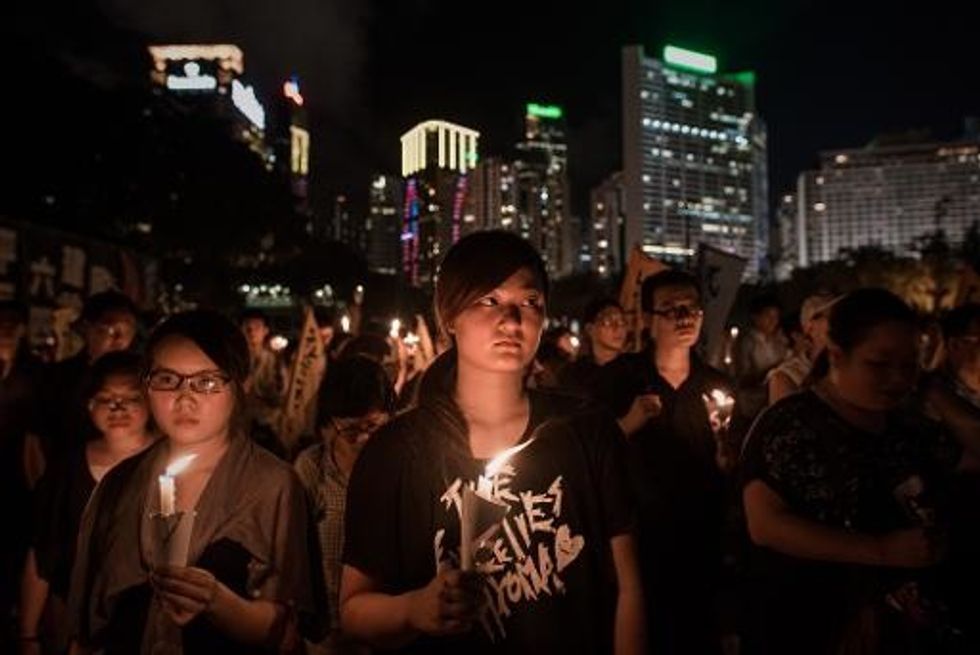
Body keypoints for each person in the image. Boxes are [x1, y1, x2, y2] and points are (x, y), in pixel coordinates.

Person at [340, 231, 645, 654]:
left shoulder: (587, 430)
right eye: (489, 301)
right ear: (449, 315)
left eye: (529, 303)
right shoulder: (395, 451)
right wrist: (414, 609)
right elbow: (354, 610)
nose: (512, 320)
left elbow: (629, 587)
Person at [68, 310, 324, 654]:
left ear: (240, 386)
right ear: (146, 384)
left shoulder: (273, 486)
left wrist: (219, 602)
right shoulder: (121, 483)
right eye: (167, 380)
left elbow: (284, 629)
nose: (185, 398)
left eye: (206, 382)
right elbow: (89, 623)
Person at [740, 289, 950, 655]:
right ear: (837, 356)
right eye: (879, 364)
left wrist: (935, 391)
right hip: (808, 627)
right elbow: (765, 525)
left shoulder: (907, 426)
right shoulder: (791, 425)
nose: (897, 378)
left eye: (909, 364)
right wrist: (882, 550)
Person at [596, 268, 734, 654]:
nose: (684, 317)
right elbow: (589, 453)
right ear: (647, 319)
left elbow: (728, 468)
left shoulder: (715, 384)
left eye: (691, 308)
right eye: (671, 308)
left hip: (701, 537)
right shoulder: (619, 379)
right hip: (638, 537)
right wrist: (629, 423)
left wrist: (725, 450)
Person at [20, 352, 154, 654]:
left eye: (131, 397)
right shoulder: (66, 469)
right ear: (89, 405)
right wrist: (28, 634)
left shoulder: (171, 462)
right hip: (75, 622)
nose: (117, 407)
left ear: (150, 402)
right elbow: (43, 552)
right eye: (106, 398)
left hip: (148, 624)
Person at [294, 355, 395, 655]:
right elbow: (294, 556)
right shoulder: (312, 469)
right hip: (330, 634)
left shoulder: (400, 466)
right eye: (351, 431)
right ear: (327, 427)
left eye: (373, 426)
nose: (365, 439)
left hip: (388, 627)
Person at [42, 291, 139, 457]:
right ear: (87, 328)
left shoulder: (143, 378)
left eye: (127, 329)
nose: (119, 338)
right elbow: (37, 439)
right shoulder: (58, 378)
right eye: (110, 329)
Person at [1, 300, 45, 652]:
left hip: (17, 472)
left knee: (15, 544)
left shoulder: (34, 373)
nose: (6, 328)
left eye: (13, 322)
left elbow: (38, 430)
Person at [767, 293, 837, 404]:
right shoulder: (788, 376)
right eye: (832, 316)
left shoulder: (848, 363)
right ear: (810, 327)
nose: (842, 322)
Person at [557, 297, 627, 398]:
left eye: (622, 321)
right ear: (589, 329)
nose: (618, 327)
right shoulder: (573, 374)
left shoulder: (634, 371)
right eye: (608, 322)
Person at [734, 294, 787, 422]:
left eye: (776, 317)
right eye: (768, 316)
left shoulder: (779, 341)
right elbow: (743, 379)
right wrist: (774, 371)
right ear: (755, 317)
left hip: (773, 403)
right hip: (752, 407)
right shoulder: (747, 342)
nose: (773, 321)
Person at [240, 308, 286, 436]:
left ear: (265, 331)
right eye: (247, 327)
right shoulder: (234, 360)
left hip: (268, 423)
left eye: (257, 327)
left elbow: (280, 394)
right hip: (241, 424)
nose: (252, 332)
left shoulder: (273, 360)